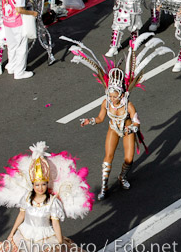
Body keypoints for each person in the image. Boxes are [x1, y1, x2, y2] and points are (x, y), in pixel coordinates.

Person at [67, 34, 170, 200]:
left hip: (127, 130)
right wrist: (89, 121)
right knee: (108, 157)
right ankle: (104, 187)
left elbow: (136, 121)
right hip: (113, 129)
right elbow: (101, 118)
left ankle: (122, 177)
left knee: (129, 159)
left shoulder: (128, 104)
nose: (113, 98)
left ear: (122, 93)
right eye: (111, 95)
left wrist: (133, 127)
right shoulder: (106, 102)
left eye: (116, 96)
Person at [0, 141, 105, 252]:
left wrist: (60, 243)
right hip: (24, 235)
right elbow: (21, 215)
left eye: (43, 184)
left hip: (46, 238)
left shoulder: (53, 202)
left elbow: (55, 223)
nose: (40, 188)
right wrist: (11, 234)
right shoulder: (27, 197)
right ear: (33, 185)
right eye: (37, 185)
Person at [1, 0, 38, 80]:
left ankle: (11, 66)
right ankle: (19, 72)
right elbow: (20, 9)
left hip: (7, 19)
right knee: (21, 48)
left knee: (11, 46)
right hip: (17, 21)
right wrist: (32, 13)